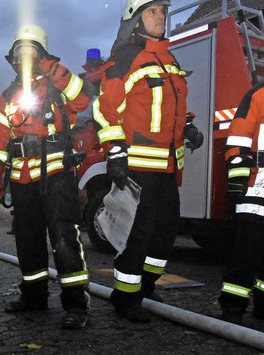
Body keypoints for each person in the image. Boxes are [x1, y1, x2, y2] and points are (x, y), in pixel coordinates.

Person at [93, 0, 202, 323]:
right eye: (152, 12)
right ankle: (125, 298)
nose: (160, 17)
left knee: (165, 231)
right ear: (135, 20)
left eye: (163, 11)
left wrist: (189, 127)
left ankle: (146, 285)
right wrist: (115, 150)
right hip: (139, 165)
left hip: (169, 165)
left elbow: (173, 106)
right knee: (137, 233)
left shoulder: (169, 58)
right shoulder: (125, 58)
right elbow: (106, 109)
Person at [0, 24, 95, 329]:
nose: (25, 57)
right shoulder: (7, 95)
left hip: (57, 174)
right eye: (21, 51)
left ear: (42, 54)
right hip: (22, 181)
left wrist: (53, 69)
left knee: (64, 238)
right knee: (28, 240)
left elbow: (84, 100)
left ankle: (76, 305)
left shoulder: (59, 84)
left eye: (31, 51)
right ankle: (34, 297)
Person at [217, 82, 264, 325]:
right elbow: (238, 137)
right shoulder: (259, 95)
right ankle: (233, 307)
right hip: (258, 185)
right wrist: (238, 178)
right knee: (247, 249)